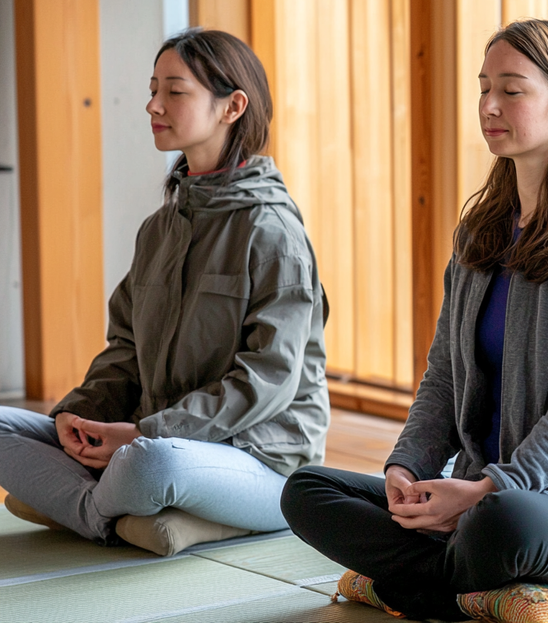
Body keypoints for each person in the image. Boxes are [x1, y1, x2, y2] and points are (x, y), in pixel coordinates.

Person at [280, 18, 548, 623]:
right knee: (306, 493)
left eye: (512, 90)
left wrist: (489, 490)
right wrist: (406, 469)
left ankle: (417, 584)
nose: (489, 105)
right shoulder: (481, 231)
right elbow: (443, 375)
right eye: (484, 87)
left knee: (504, 523)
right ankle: (481, 592)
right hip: (470, 495)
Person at [0, 28, 329, 557]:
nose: (153, 104)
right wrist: (77, 416)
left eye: (174, 91)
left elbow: (268, 380)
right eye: (154, 88)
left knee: (153, 465)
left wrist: (144, 435)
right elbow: (125, 349)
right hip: (155, 435)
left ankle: (83, 510)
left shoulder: (272, 233)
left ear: (232, 107)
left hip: (260, 458)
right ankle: (133, 516)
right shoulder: (160, 228)